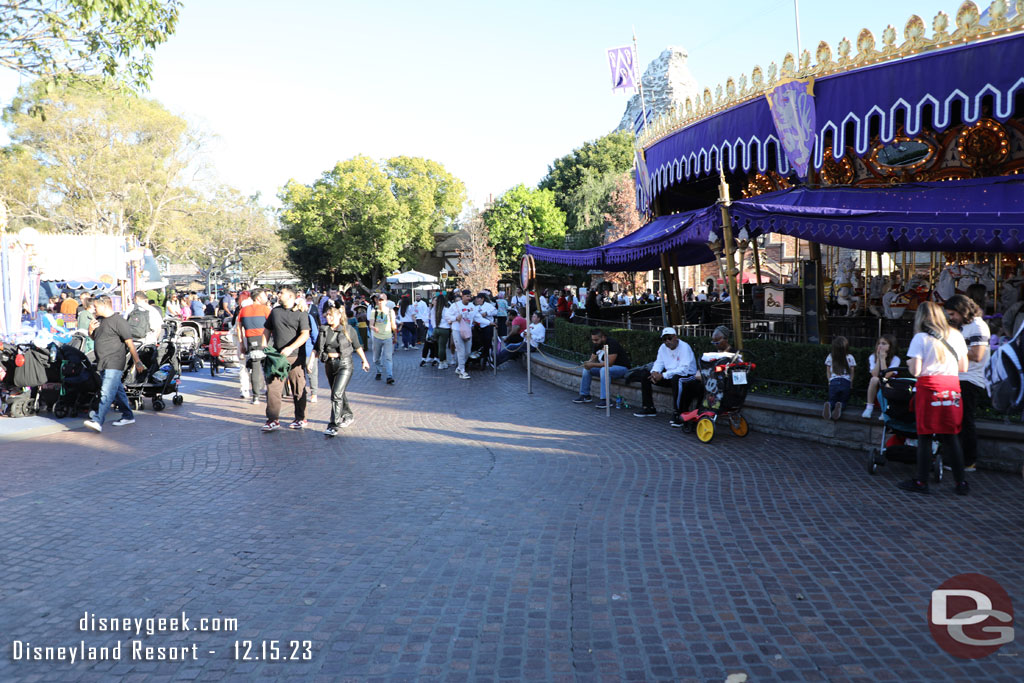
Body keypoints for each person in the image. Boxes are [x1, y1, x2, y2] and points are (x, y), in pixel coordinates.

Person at [897, 301, 970, 495]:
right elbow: (964, 368)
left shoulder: (920, 338)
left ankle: (921, 481)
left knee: (925, 436)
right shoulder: (956, 335)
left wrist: (909, 362)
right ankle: (960, 482)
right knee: (951, 436)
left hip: (929, 388)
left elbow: (916, 371)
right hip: (952, 388)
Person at [83, 296, 146, 433]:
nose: (94, 309)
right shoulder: (98, 321)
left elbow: (130, 343)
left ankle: (98, 420)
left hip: (115, 361)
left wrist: (137, 361)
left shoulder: (119, 322)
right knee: (117, 390)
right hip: (103, 361)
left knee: (106, 391)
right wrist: (90, 330)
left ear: (105, 305)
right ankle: (128, 415)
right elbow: (97, 337)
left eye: (96, 306)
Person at [943, 294, 989, 471]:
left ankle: (968, 460)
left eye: (953, 314)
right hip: (958, 377)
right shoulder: (963, 327)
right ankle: (956, 457)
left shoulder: (977, 326)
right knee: (955, 420)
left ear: (962, 311)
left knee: (965, 420)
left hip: (970, 379)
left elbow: (977, 355)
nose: (951, 318)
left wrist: (952, 349)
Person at [261, 287, 310, 432]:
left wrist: (291, 347)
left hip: (296, 356)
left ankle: (301, 418)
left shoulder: (301, 313)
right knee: (273, 388)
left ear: (290, 296)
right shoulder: (275, 311)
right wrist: (264, 344)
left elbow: (305, 334)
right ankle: (272, 419)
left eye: (281, 293)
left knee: (298, 387)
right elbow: (267, 329)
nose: (278, 295)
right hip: (277, 357)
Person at [316, 306, 370, 436]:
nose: (328, 317)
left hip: (345, 364)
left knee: (336, 394)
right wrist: (311, 361)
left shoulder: (348, 330)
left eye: (331, 315)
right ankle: (348, 414)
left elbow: (357, 346)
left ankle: (333, 425)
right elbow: (316, 347)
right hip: (329, 364)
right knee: (338, 393)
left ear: (339, 316)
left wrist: (364, 360)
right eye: (327, 315)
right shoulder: (324, 330)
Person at [633, 327, 701, 425]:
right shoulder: (662, 348)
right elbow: (659, 362)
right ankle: (648, 408)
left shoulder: (684, 347)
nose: (667, 341)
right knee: (646, 375)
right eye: (664, 339)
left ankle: (678, 412)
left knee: (677, 380)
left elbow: (684, 370)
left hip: (687, 376)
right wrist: (654, 373)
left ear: (675, 337)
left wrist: (663, 375)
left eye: (669, 338)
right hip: (670, 374)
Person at [574, 328, 631, 409]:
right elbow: (592, 359)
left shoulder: (612, 343)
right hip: (607, 368)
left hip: (621, 368)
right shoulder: (597, 344)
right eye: (593, 340)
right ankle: (585, 395)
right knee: (587, 369)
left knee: (604, 370)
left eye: (596, 340)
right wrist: (587, 363)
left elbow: (609, 363)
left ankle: (606, 400)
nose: (594, 342)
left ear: (603, 337)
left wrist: (592, 364)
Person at [237, 289, 271, 404]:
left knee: (255, 369)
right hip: (265, 340)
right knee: (267, 368)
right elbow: (272, 325)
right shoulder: (265, 309)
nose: (266, 298)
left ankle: (255, 396)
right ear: (258, 298)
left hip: (251, 341)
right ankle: (269, 393)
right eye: (264, 296)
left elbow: (238, 327)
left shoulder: (243, 311)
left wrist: (242, 343)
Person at [861, 334, 900, 419]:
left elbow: (886, 375)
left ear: (890, 346)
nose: (880, 346)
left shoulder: (896, 359)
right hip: (877, 382)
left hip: (889, 382)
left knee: (884, 381)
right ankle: (869, 408)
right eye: (879, 343)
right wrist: (878, 359)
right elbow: (874, 374)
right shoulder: (872, 357)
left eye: (884, 343)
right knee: (874, 379)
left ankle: (884, 410)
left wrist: (883, 359)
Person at [445, 289, 476, 380]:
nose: (469, 298)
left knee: (468, 352)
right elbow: (447, 316)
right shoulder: (455, 306)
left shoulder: (471, 306)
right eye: (467, 296)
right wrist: (455, 318)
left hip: (467, 331)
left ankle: (459, 368)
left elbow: (476, 316)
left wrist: (488, 322)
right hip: (457, 330)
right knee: (461, 350)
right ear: (462, 296)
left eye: (470, 296)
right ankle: (462, 371)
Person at [823, 335, 856, 420]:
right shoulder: (850, 357)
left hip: (834, 381)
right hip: (846, 382)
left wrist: (829, 381)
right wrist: (851, 383)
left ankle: (830, 405)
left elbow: (828, 370)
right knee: (843, 400)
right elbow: (852, 372)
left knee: (832, 399)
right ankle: (840, 405)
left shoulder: (830, 356)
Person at [296, 297, 321, 403]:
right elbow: (315, 334)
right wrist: (317, 348)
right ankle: (314, 394)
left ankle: (301, 393)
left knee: (299, 374)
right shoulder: (308, 317)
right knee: (312, 372)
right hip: (309, 349)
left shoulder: (294, 317)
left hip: (296, 350)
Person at [369, 294, 398, 384]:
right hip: (377, 337)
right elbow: (371, 324)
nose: (380, 302)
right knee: (377, 357)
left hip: (388, 337)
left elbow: (393, 325)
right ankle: (379, 371)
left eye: (382, 300)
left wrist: (395, 336)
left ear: (386, 301)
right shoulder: (374, 311)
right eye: (379, 300)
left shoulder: (390, 311)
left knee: (388, 357)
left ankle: (389, 376)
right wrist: (373, 328)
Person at [472, 292, 496, 366]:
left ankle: (485, 356)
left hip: (488, 326)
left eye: (478, 299)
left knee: (487, 342)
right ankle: (476, 357)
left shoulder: (489, 306)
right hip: (478, 327)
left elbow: (495, 312)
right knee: (477, 341)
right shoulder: (475, 307)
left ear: (482, 299)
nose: (477, 300)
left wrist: (486, 313)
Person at [432, 293, 452, 370]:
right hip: (444, 329)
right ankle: (441, 362)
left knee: (440, 346)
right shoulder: (446, 310)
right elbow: (449, 320)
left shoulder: (434, 309)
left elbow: (432, 320)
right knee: (442, 347)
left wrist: (435, 328)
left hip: (436, 329)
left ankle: (444, 361)